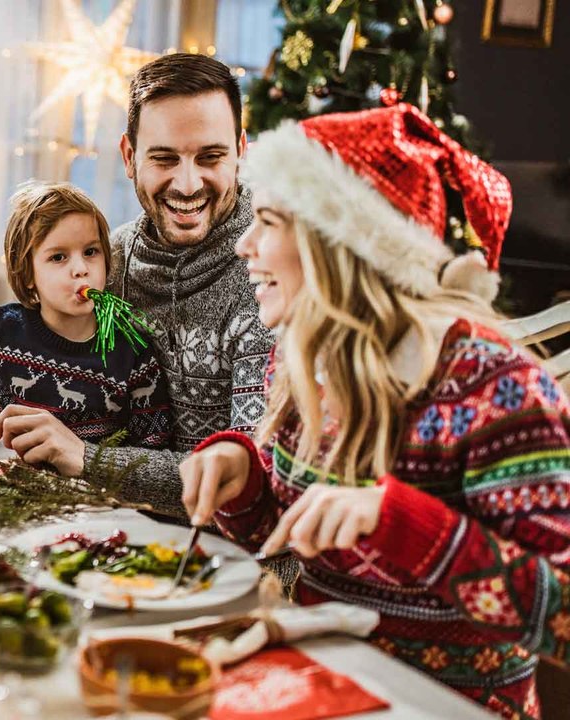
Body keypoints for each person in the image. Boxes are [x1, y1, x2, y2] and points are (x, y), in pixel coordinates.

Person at [179, 104, 568, 719]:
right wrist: (243, 475)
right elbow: (283, 540)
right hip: (319, 683)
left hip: (447, 705)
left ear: (344, 247)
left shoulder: (495, 388)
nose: (245, 247)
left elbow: (562, 620)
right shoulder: (305, 355)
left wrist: (402, 521)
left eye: (270, 223)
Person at [0, 54, 274, 513]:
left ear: (241, 152)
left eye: (210, 157)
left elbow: (256, 487)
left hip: (235, 562)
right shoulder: (105, 264)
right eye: (164, 158)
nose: (188, 182)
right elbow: (26, 366)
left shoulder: (274, 278)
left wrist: (86, 458)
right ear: (129, 157)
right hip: (98, 531)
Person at [0, 182, 171, 449]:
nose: (81, 269)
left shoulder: (133, 355)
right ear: (28, 274)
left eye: (91, 252)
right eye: (58, 257)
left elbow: (150, 446)